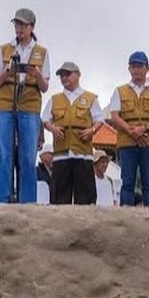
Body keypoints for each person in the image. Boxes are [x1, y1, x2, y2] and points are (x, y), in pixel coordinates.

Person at [0, 8, 50, 203]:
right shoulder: (4, 49)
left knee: (27, 156)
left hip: (29, 105)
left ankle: (28, 202)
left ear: (32, 27)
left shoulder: (42, 52)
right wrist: (8, 72)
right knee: (4, 154)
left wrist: (37, 74)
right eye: (17, 25)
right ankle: (3, 199)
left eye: (23, 25)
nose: (19, 29)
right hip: (5, 103)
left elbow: (44, 87)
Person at [110, 51, 149, 207]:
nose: (137, 69)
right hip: (127, 141)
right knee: (127, 181)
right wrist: (131, 131)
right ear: (129, 69)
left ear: (147, 68)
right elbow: (115, 115)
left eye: (140, 66)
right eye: (133, 66)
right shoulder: (119, 91)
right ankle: (126, 215)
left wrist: (144, 128)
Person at [43, 62, 104, 204]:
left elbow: (100, 119)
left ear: (78, 74)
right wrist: (52, 128)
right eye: (62, 75)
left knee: (85, 198)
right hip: (61, 154)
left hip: (82, 153)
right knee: (59, 198)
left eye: (68, 74)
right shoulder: (55, 99)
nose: (64, 78)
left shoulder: (90, 98)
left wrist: (92, 130)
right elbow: (45, 118)